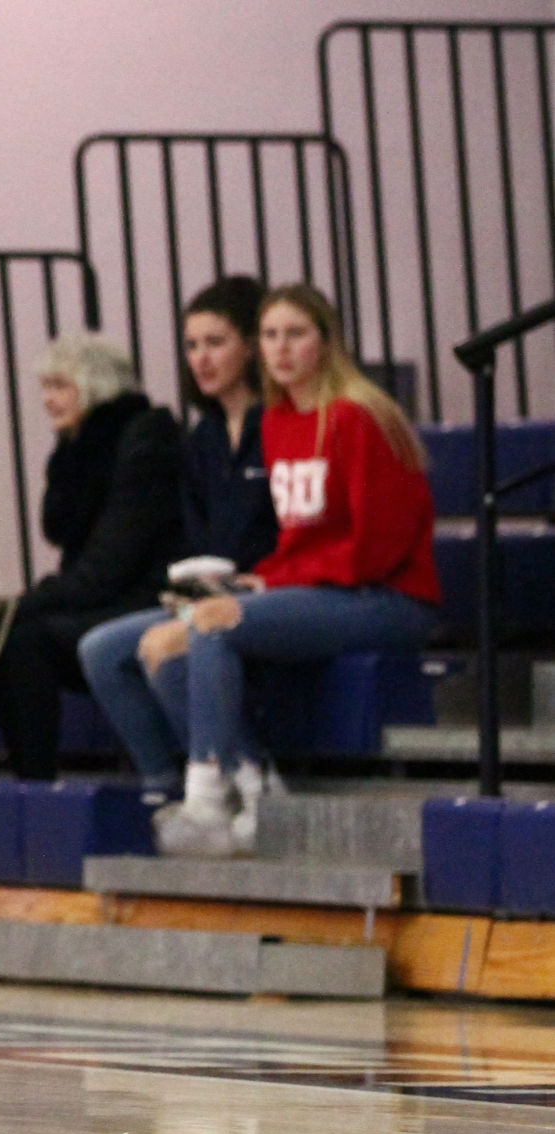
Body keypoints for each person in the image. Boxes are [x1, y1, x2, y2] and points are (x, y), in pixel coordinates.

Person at [143, 283, 439, 857]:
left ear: (326, 343)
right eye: (271, 336)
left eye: (296, 334)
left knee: (213, 622)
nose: (281, 350)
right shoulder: (278, 421)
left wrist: (277, 586)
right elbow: (299, 539)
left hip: (388, 597)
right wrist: (263, 580)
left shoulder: (360, 417)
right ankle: (258, 788)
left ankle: (206, 799)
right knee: (161, 647)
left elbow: (376, 547)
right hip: (326, 588)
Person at [78, 276, 276, 802]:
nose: (201, 359)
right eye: (192, 346)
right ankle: (162, 786)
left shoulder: (279, 425)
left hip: (267, 588)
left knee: (165, 646)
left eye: (216, 343)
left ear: (251, 347)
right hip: (211, 591)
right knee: (100, 649)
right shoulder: (203, 438)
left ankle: (246, 777)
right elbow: (193, 537)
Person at [0, 332, 183, 780]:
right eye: (46, 387)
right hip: (108, 592)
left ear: (96, 385)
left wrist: (18, 603)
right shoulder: (75, 450)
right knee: (4, 631)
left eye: (60, 386)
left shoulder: (142, 441)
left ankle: (36, 780)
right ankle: (28, 778)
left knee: (22, 637)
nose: (48, 400)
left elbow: (109, 566)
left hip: (147, 595)